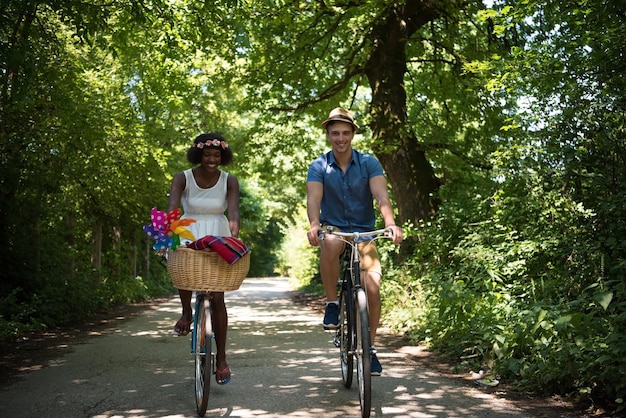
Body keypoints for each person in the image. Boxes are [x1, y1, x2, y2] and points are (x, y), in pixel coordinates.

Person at [306, 107, 403, 376]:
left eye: (346, 133)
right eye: (335, 133)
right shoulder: (319, 166)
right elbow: (313, 199)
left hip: (364, 232)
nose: (340, 138)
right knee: (330, 242)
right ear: (328, 135)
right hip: (335, 228)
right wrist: (315, 225)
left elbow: (381, 196)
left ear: (353, 134)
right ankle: (332, 304)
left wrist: (390, 223)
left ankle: (370, 348)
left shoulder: (369, 163)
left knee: (372, 284)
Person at [167, 132, 240, 385]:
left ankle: (221, 359)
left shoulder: (229, 180)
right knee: (184, 266)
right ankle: (187, 312)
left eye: (216, 155)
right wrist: (171, 233)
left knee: (218, 297)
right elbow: (174, 208)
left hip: (217, 233)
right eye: (207, 154)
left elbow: (233, 212)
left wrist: (233, 239)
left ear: (223, 156)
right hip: (188, 229)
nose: (212, 159)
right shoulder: (182, 178)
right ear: (199, 155)